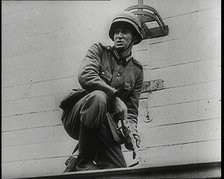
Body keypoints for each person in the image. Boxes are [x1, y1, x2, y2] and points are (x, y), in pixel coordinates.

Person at [61, 11, 144, 172]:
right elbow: (86, 75)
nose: (118, 36)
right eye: (116, 32)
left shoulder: (137, 70)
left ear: (134, 37)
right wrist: (114, 97)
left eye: (124, 32)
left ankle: (77, 161)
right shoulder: (99, 51)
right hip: (78, 116)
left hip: (105, 125)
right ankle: (83, 160)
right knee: (99, 97)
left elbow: (131, 110)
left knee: (119, 171)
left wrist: (131, 133)